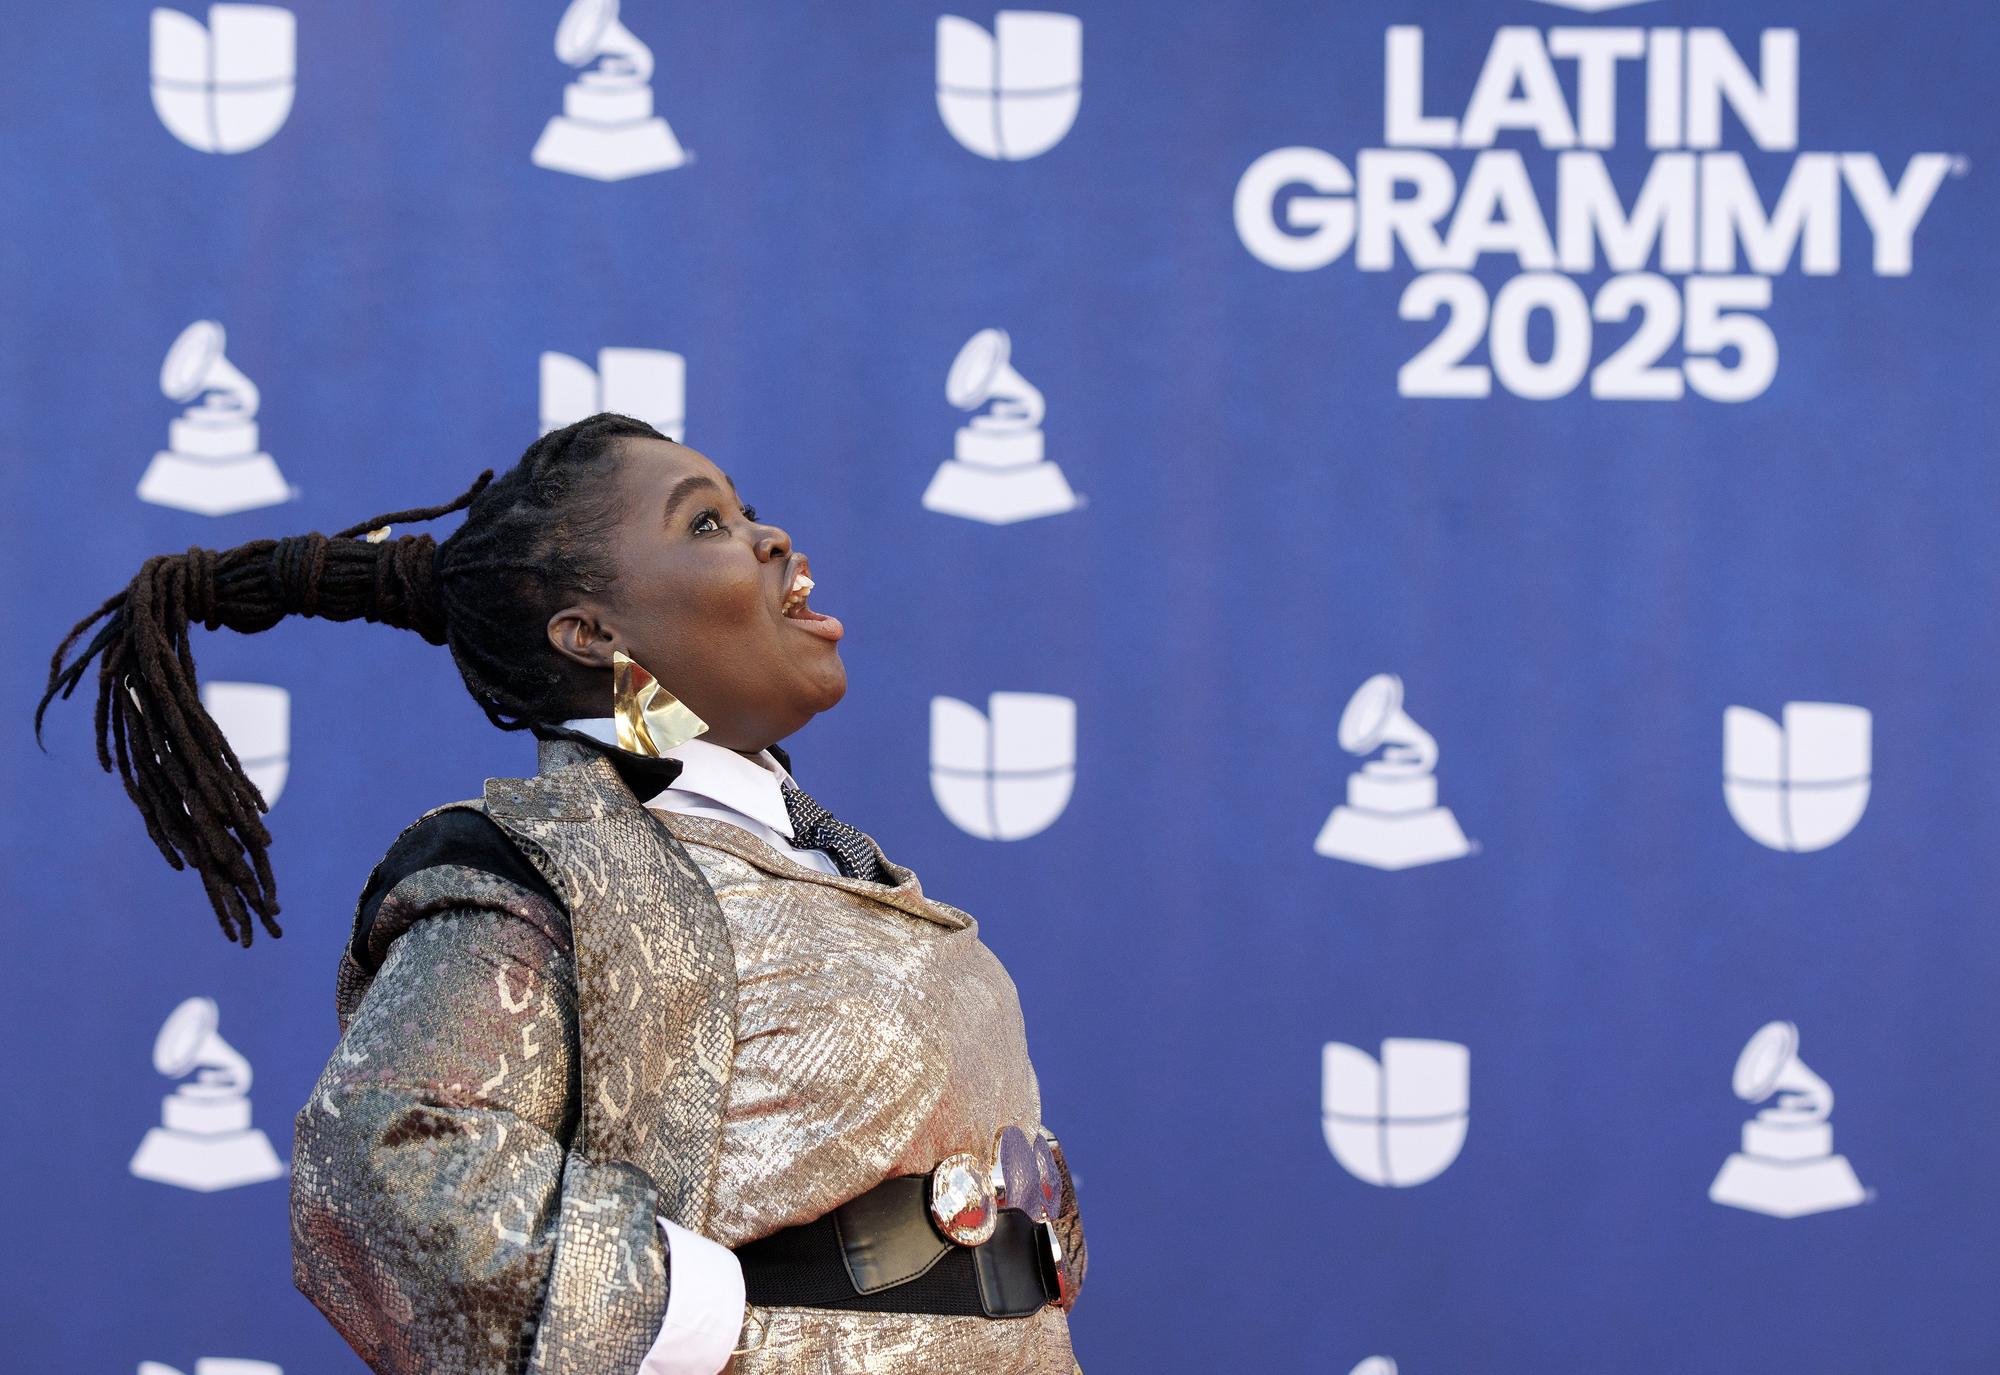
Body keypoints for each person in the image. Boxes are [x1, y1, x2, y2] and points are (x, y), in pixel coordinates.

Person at [36, 413, 1086, 1374]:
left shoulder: (815, 850)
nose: (772, 540)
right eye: (708, 521)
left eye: (750, 509)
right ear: (593, 635)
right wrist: (711, 1322)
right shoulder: (544, 864)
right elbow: (385, 1157)